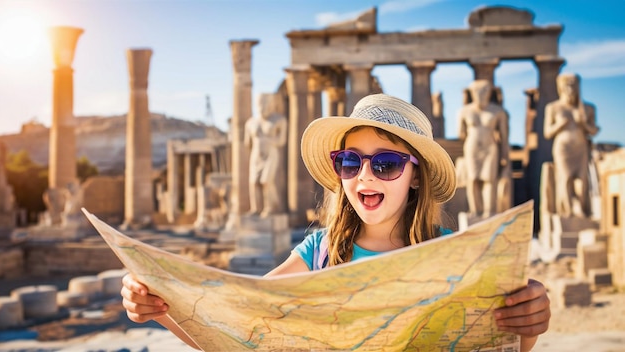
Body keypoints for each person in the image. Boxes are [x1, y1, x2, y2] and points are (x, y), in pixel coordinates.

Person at [121, 94, 550, 351]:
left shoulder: (457, 255)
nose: (363, 175)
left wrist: (526, 324)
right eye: (349, 161)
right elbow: (236, 333)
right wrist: (158, 307)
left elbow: (494, 343)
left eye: (384, 163)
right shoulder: (317, 252)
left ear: (416, 175)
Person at [544, 73, 598, 218]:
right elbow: (547, 132)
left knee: (582, 179)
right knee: (566, 178)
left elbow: (594, 130)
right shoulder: (554, 108)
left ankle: (580, 208)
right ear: (560, 88)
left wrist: (583, 123)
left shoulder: (587, 108)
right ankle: (567, 210)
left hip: (581, 147)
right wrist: (560, 125)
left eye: (574, 86)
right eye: (567, 86)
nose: (571, 90)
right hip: (563, 148)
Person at [457, 79, 509, 218]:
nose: (481, 94)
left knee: (489, 179)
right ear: (472, 93)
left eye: (484, 91)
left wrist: (505, 155)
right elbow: (461, 133)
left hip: (490, 148)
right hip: (472, 147)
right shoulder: (464, 111)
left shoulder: (498, 111)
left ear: (489, 93)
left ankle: (488, 211)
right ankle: (475, 210)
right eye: (477, 91)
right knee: (472, 179)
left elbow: (504, 136)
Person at [244, 93, 287, 217]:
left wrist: (267, 141)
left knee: (266, 181)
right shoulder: (250, 122)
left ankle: (271, 207)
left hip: (271, 153)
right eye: (261, 103)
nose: (264, 106)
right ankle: (256, 208)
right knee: (254, 182)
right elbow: (248, 143)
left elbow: (281, 140)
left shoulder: (279, 120)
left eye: (266, 103)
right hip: (256, 154)